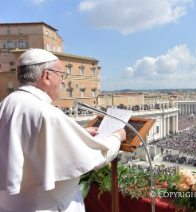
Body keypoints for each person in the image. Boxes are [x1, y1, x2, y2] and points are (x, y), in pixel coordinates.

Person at [0, 49, 126, 212]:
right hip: (49, 207)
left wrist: (77, 135)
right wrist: (116, 137)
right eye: (61, 75)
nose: (63, 82)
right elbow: (93, 158)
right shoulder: (47, 113)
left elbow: (28, 144)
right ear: (46, 76)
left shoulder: (6, 104)